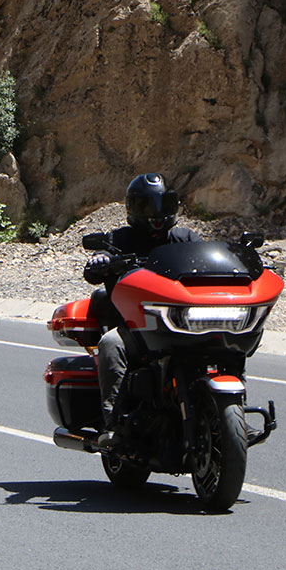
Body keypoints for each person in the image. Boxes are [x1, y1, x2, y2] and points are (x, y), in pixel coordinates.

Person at [82, 173, 201, 447]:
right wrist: (100, 260)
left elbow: (208, 261)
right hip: (138, 327)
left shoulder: (185, 238)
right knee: (111, 343)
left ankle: (233, 410)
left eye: (163, 205)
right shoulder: (119, 239)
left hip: (181, 323)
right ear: (133, 208)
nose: (157, 215)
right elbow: (95, 268)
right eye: (148, 207)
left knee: (223, 345)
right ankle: (113, 423)